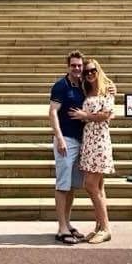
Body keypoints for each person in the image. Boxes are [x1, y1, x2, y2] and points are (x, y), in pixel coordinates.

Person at [69, 58, 116, 244]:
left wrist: (85, 115)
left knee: (90, 185)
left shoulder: (107, 90)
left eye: (92, 71)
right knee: (99, 187)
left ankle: (105, 228)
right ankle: (99, 226)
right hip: (89, 140)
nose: (89, 74)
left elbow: (106, 115)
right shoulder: (86, 90)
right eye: (86, 71)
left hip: (100, 141)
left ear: (99, 70)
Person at [48, 50, 88, 244]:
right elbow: (53, 112)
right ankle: (61, 228)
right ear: (68, 66)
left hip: (81, 140)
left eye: (79, 65)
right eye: (73, 65)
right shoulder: (60, 86)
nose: (77, 68)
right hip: (66, 141)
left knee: (72, 186)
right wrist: (59, 138)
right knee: (62, 184)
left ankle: (67, 223)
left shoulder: (82, 85)